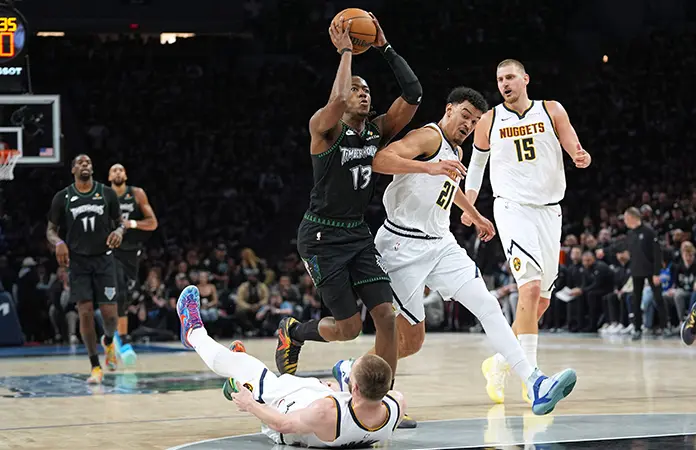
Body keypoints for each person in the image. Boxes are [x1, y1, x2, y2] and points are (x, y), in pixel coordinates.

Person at [334, 87, 577, 418]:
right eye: (465, 116)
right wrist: (430, 168)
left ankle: (535, 383)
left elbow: (449, 184)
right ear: (448, 109)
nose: (469, 125)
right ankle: (354, 372)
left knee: (487, 305)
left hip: (441, 243)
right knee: (410, 342)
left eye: (475, 121)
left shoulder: (456, 150)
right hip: (402, 247)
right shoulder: (427, 137)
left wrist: (474, 215)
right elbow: (379, 160)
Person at [275, 14, 433, 426]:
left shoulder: (376, 131)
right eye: (356, 90)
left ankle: (385, 401)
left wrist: (385, 48)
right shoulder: (324, 131)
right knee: (348, 329)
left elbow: (414, 94)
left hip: (358, 235)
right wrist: (346, 52)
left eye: (367, 91)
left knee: (386, 317)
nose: (363, 95)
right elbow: (334, 103)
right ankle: (294, 332)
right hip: (321, 236)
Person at [463, 59, 591, 404]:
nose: (504, 84)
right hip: (512, 208)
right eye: (499, 79)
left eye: (510, 77)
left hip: (549, 210)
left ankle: (500, 362)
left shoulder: (551, 110)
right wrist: (470, 206)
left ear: (525, 79)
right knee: (529, 288)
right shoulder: (490, 120)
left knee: (542, 299)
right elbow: (476, 166)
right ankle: (532, 378)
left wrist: (580, 156)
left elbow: (573, 144)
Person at [177, 286, 404, 448]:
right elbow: (364, 406)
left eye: (351, 376)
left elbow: (283, 425)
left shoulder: (325, 411)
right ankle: (244, 379)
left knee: (247, 370)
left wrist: (249, 405)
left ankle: (193, 334)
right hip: (321, 408)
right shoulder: (396, 405)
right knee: (316, 384)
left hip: (287, 421)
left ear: (354, 389)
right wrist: (337, 390)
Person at [46, 154, 125, 383]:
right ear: (73, 169)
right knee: (86, 312)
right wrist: (58, 243)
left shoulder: (107, 193)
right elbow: (51, 230)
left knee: (110, 316)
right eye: (80, 163)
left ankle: (108, 341)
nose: (85, 165)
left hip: (104, 259)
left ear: (92, 168)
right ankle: (95, 366)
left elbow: (120, 223)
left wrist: (119, 231)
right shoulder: (63, 197)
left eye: (88, 162)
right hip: (78, 262)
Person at [108, 163, 158, 364]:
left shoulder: (137, 194)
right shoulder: (103, 196)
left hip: (131, 253)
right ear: (109, 177)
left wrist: (132, 223)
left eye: (121, 169)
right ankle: (122, 339)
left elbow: (153, 223)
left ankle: (115, 336)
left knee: (127, 296)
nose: (118, 172)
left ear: (126, 175)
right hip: (111, 251)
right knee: (119, 292)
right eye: (114, 170)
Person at [623, 207, 671, 340]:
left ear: (632, 217)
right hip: (636, 271)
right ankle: (637, 329)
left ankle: (665, 326)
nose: (625, 221)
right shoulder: (630, 234)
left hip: (651, 271)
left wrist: (657, 273)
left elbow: (657, 253)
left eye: (626, 218)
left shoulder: (649, 231)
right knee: (636, 300)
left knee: (658, 298)